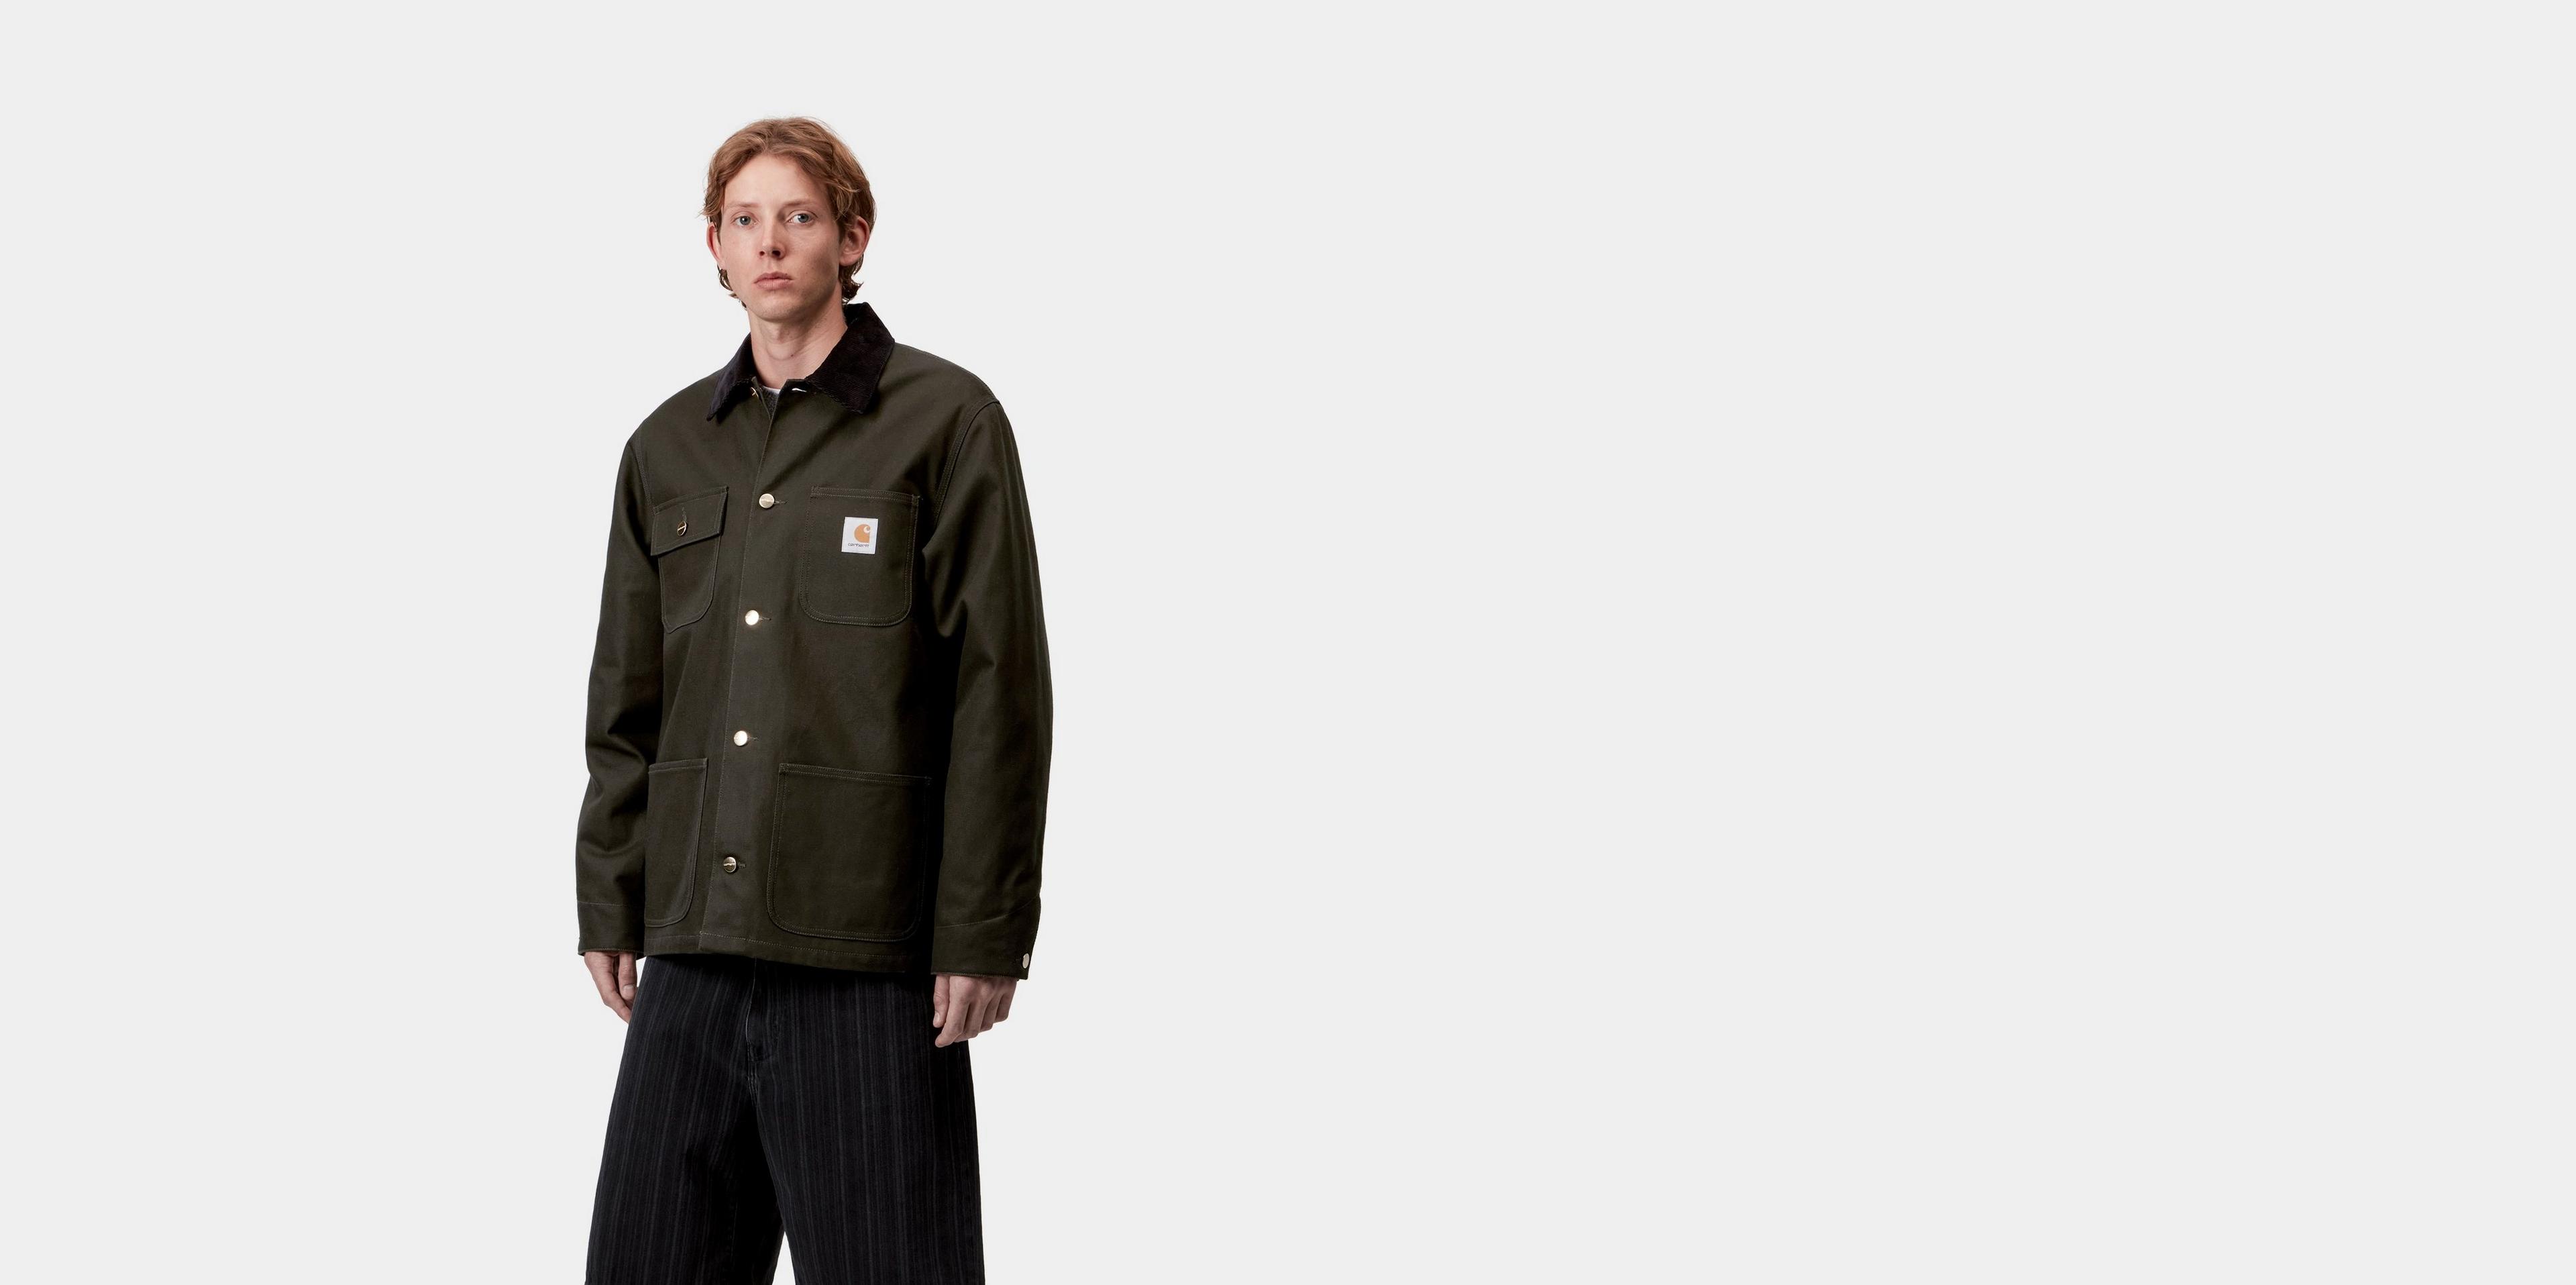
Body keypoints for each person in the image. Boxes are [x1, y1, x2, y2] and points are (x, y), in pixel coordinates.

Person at [572, 115, 1053, 1284]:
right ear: (714, 247)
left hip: (869, 957)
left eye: (798, 216)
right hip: (693, 950)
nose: (771, 242)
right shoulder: (667, 447)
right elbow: (626, 700)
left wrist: (982, 931)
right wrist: (609, 898)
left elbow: (1000, 690)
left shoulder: (946, 421)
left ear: (853, 236)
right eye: (745, 220)